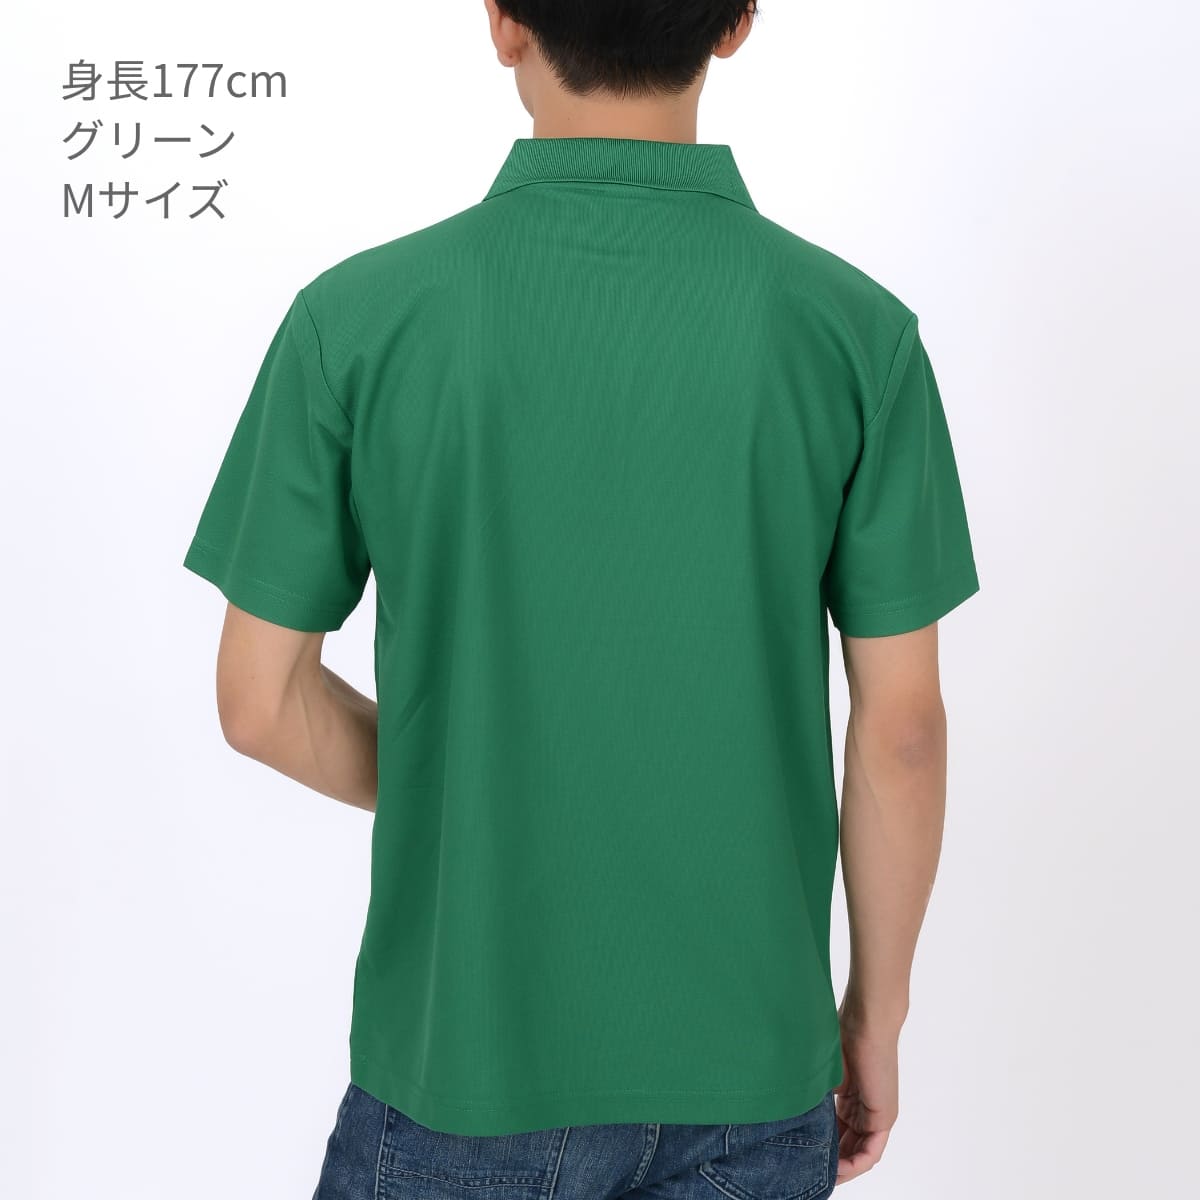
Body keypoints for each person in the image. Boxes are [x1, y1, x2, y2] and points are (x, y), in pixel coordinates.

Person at [182, 2, 980, 1196]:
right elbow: (902, 732)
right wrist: (875, 1014)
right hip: (753, 1079)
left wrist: (483, 788)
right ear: (736, 24)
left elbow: (258, 703)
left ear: (503, 22)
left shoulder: (356, 322)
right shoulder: (857, 336)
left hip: (463, 1072)